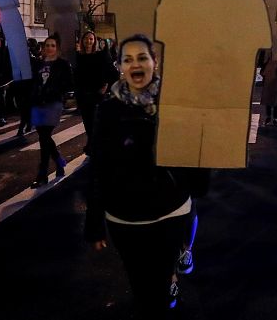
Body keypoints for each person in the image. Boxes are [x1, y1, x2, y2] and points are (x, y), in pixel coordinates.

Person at [85, 34, 200, 317]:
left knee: (159, 285)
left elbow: (194, 151)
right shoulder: (108, 109)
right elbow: (99, 165)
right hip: (123, 217)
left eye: (142, 57)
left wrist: (195, 186)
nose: (135, 64)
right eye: (128, 59)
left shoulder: (175, 103)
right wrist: (94, 222)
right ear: (120, 66)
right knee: (139, 283)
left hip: (169, 212)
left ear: (154, 62)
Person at [29, 35, 73, 188]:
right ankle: (59, 160)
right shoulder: (38, 64)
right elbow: (33, 82)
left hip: (53, 102)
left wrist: (56, 91)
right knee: (43, 136)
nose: (49, 48)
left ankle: (42, 174)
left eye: (52, 45)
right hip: (38, 102)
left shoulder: (62, 64)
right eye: (47, 45)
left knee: (45, 136)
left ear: (57, 48)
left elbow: (68, 83)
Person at [74, 30, 118, 155]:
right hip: (83, 95)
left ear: (95, 42)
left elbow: (113, 73)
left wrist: (106, 86)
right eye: (86, 39)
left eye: (91, 39)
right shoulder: (78, 57)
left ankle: (95, 146)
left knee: (95, 122)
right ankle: (92, 143)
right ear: (82, 41)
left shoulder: (101, 56)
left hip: (97, 95)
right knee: (87, 122)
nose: (88, 41)